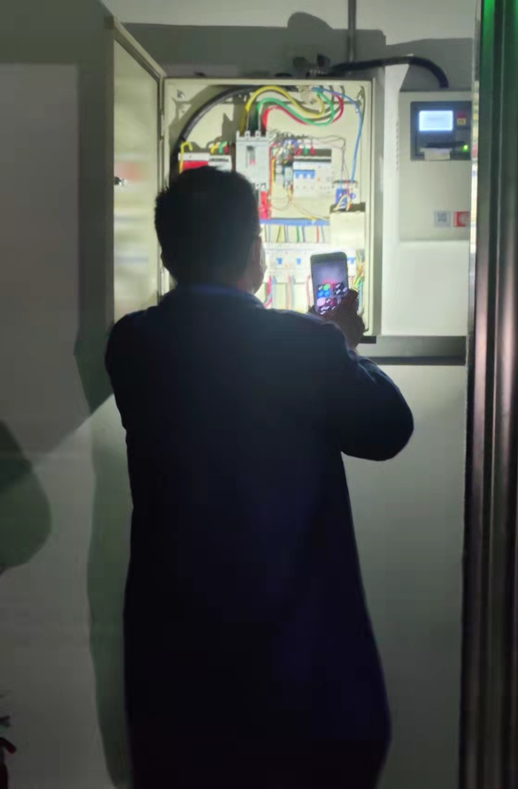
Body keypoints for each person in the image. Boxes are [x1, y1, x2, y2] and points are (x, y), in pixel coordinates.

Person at [106, 167, 414, 789]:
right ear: (255, 250)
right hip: (294, 665)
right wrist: (342, 345)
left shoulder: (132, 343)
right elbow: (388, 430)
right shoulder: (305, 345)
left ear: (167, 256)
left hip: (176, 666)